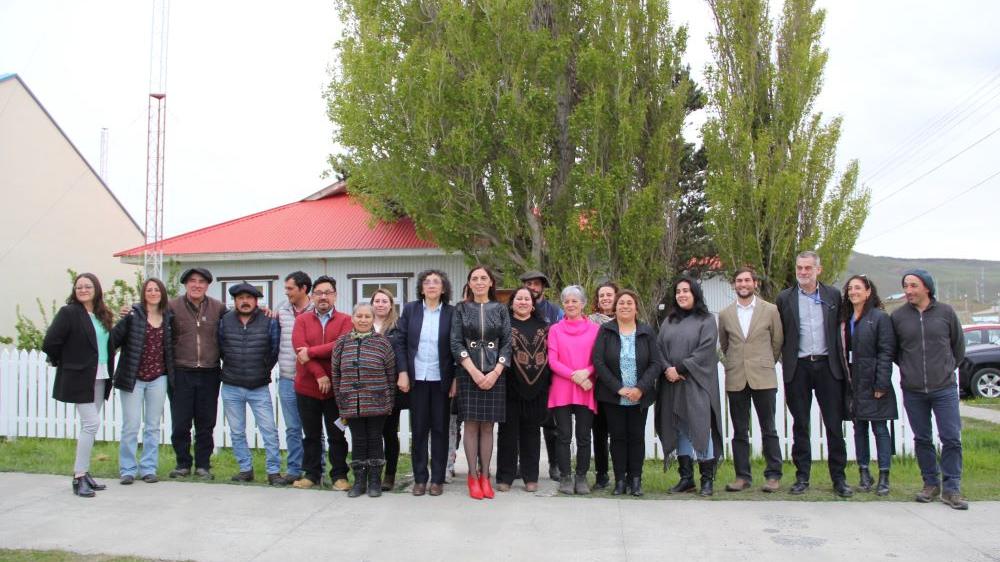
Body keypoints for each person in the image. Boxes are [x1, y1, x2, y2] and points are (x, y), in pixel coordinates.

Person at [775, 251, 853, 498]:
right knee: (800, 425)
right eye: (799, 268)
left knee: (833, 424)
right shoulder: (785, 298)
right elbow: (781, 334)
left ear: (818, 270)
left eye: (808, 268)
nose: (803, 272)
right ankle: (802, 477)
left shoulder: (833, 296)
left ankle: (839, 478)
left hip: (827, 367)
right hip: (798, 367)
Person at [891, 269, 967, 510]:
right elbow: (894, 351)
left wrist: (945, 369)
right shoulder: (899, 317)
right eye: (906, 286)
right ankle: (930, 484)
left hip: (943, 387)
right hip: (913, 389)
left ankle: (952, 488)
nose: (908, 291)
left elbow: (958, 347)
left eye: (913, 286)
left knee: (951, 438)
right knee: (922, 438)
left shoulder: (946, 313)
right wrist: (909, 369)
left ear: (926, 287)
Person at [42, 273, 116, 497]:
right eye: (79, 287)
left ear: (96, 289)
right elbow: (50, 342)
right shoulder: (69, 313)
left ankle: (85, 473)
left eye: (88, 286)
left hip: (101, 374)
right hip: (80, 377)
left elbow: (106, 343)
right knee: (91, 424)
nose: (83, 290)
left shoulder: (102, 315)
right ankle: (79, 476)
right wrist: (64, 363)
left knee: (89, 427)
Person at [717, 268, 784, 493]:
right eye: (739, 280)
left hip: (763, 377)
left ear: (755, 283)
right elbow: (725, 345)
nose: (743, 284)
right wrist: (739, 362)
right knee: (739, 430)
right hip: (736, 377)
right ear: (734, 285)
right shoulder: (725, 314)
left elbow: (777, 342)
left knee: (769, 429)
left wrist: (764, 362)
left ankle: (773, 475)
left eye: (747, 280)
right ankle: (742, 476)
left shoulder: (770, 310)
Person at [657, 277, 723, 497]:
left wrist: (681, 369)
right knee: (680, 427)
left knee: (700, 426)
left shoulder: (706, 320)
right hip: (672, 384)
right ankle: (686, 479)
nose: (681, 294)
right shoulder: (669, 321)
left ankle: (707, 480)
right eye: (678, 291)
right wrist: (667, 369)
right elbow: (659, 349)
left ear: (695, 293)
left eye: (686, 290)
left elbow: (705, 350)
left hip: (697, 382)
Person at [592, 289, 661, 496]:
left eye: (629, 303)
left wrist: (640, 388)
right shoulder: (606, 330)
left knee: (636, 437)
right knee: (618, 437)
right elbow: (599, 361)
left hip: (640, 396)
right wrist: (619, 388)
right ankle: (620, 480)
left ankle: (636, 480)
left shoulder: (646, 331)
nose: (625, 306)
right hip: (613, 396)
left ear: (636, 307)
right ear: (616, 307)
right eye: (621, 303)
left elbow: (655, 363)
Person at [394, 270, 456, 497]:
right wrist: (402, 372)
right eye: (427, 282)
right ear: (421, 288)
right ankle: (420, 478)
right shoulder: (410, 310)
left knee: (440, 430)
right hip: (416, 378)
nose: (431, 285)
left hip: (441, 380)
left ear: (443, 289)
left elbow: (457, 348)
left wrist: (456, 378)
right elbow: (400, 342)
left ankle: (437, 479)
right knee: (419, 430)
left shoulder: (451, 312)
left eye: (436, 282)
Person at [451, 265, 511, 500]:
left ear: (491, 283)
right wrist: (474, 372)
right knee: (471, 425)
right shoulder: (461, 309)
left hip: (495, 373)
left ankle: (486, 476)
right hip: (468, 373)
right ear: (469, 283)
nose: (479, 282)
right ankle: (472, 476)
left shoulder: (501, 309)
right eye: (474, 278)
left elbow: (507, 343)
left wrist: (496, 371)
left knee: (488, 426)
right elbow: (456, 343)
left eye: (483, 278)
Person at [290, 275, 353, 490]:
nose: (323, 297)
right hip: (307, 388)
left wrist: (313, 352)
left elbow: (341, 345)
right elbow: (300, 351)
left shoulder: (346, 320)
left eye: (328, 292)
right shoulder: (302, 320)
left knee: (337, 434)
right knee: (311, 434)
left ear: (335, 295)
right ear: (312, 296)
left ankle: (339, 475)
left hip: (336, 391)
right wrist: (319, 374)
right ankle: (312, 474)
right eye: (319, 293)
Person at [217, 283, 283, 485]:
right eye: (240, 298)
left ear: (256, 301)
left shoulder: (269, 321)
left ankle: (273, 472)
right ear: (234, 301)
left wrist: (263, 368)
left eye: (249, 298)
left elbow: (274, 348)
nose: (244, 301)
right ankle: (245, 469)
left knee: (268, 430)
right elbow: (221, 347)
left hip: (258, 386)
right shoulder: (224, 321)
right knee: (236, 431)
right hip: (231, 385)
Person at [111, 278, 174, 485]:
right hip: (133, 378)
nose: (153, 292)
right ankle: (127, 469)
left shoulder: (168, 317)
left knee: (153, 426)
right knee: (131, 425)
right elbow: (112, 340)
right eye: (149, 289)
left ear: (162, 293)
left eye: (157, 289)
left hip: (158, 378)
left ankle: (148, 468)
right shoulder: (132, 315)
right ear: (143, 293)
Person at [331, 303, 397, 498]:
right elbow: (336, 374)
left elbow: (391, 373)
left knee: (375, 440)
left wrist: (389, 402)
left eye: (367, 316)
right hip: (351, 402)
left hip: (377, 402)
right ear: (352, 318)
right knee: (358, 440)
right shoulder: (342, 343)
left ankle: (375, 481)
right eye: (359, 316)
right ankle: (359, 481)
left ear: (372, 319)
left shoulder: (382, 343)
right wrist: (341, 400)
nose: (363, 320)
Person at [838, 275, 897, 496]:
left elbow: (886, 351)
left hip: (873, 382)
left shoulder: (879, 318)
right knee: (859, 429)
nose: (853, 292)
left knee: (880, 429)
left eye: (858, 288)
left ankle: (884, 476)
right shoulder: (846, 319)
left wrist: (881, 382)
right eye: (850, 288)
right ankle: (864, 473)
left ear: (868, 291)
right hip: (853, 382)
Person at [167, 267, 227, 480]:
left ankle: (203, 465)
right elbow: (152, 317)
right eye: (192, 281)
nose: (196, 285)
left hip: (210, 372)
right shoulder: (171, 306)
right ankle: (182, 464)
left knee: (206, 422)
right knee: (181, 422)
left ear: (207, 285)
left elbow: (239, 321)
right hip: (181, 371)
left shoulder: (218, 308)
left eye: (201, 281)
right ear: (185, 284)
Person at [496, 287, 551, 492]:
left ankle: (531, 477)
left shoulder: (544, 326)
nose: (523, 302)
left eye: (527, 299)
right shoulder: (503, 324)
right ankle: (505, 477)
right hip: (509, 387)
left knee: (531, 433)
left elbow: (548, 356)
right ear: (511, 303)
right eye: (518, 298)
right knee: (507, 434)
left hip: (538, 388)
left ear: (533, 303)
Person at [547, 285, 600, 495]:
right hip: (562, 387)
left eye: (574, 301)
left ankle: (581, 477)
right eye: (566, 301)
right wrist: (575, 376)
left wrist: (586, 372)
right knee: (563, 435)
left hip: (586, 387)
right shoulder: (555, 330)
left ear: (583, 304)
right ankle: (565, 477)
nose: (570, 304)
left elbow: (599, 359)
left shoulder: (595, 330)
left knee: (584, 436)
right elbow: (553, 361)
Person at [520, 270, 563, 481]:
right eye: (528, 283)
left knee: (551, 423)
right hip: (522, 373)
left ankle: (554, 464)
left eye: (536, 284)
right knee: (523, 421)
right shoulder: (515, 309)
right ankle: (523, 464)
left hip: (549, 373)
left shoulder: (555, 312)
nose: (532, 287)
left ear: (543, 287)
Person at [273, 271, 313, 486]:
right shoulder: (281, 311)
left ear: (303, 288)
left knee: (314, 428)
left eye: (290, 288)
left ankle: (316, 469)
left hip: (312, 379)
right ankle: (294, 469)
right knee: (292, 427)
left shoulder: (317, 310)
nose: (286, 292)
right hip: (288, 378)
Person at [371, 287, 408, 492]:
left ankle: (390, 475)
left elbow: (402, 352)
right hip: (369, 389)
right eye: (377, 301)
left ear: (390, 305)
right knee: (372, 432)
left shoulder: (398, 326)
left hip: (390, 388)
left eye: (384, 301)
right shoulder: (364, 324)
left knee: (389, 432)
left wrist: (403, 373)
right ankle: (373, 472)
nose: (381, 304)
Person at [587, 281, 618, 490]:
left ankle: (622, 474)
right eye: (602, 295)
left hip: (618, 384)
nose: (605, 298)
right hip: (595, 383)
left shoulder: (626, 319)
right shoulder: (589, 322)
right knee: (598, 432)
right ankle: (601, 475)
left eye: (609, 294)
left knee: (618, 432)